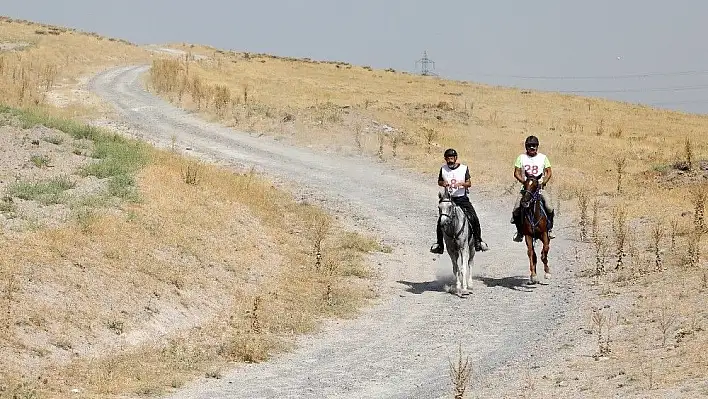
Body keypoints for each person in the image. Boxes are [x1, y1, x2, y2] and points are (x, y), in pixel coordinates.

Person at [430, 148, 488, 254]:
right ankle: (439, 244)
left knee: (473, 217)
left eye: (452, 158)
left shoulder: (463, 168)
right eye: (448, 158)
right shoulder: (443, 169)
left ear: (456, 158)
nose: (450, 160)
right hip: (448, 200)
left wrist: (461, 184)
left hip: (461, 198)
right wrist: (444, 184)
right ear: (445, 159)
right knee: (441, 221)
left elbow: (469, 183)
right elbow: (439, 181)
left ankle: (478, 241)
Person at [511, 135, 555, 242]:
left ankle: (549, 229)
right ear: (526, 147)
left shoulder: (543, 157)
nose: (532, 148)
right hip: (526, 189)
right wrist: (524, 182)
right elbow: (516, 172)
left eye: (534, 146)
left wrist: (543, 182)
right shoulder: (521, 157)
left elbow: (549, 172)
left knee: (549, 206)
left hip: (539, 188)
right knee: (516, 209)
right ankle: (520, 232)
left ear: (537, 146)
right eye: (530, 146)